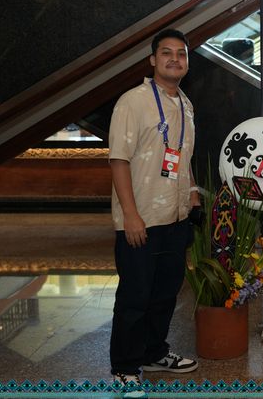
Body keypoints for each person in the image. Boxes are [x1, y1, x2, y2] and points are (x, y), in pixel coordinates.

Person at [109, 29, 200, 392]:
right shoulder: (133, 102)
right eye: (166, 53)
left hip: (175, 217)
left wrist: (193, 195)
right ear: (152, 60)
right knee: (135, 296)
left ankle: (153, 352)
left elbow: (182, 156)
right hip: (142, 218)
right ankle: (124, 366)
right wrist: (130, 215)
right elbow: (118, 160)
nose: (175, 59)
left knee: (165, 293)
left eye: (181, 54)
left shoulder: (186, 104)